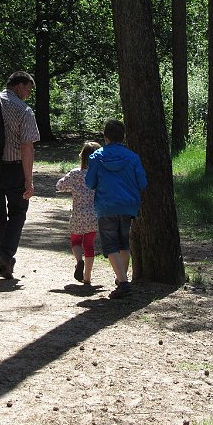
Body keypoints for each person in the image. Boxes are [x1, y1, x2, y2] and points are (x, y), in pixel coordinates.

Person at [0, 71, 40, 279]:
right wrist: (28, 180)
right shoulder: (23, 110)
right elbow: (27, 147)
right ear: (20, 86)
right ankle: (5, 255)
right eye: (28, 89)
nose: (29, 94)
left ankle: (4, 261)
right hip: (13, 168)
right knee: (18, 212)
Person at [85, 119, 147, 299]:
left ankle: (123, 282)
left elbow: (90, 182)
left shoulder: (96, 157)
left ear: (105, 137)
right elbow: (142, 183)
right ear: (123, 136)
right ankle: (122, 279)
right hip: (128, 205)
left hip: (106, 205)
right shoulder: (132, 157)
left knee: (110, 244)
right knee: (123, 242)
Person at [56, 141, 101, 285]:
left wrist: (72, 187)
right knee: (89, 245)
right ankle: (87, 277)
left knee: (75, 241)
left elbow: (59, 186)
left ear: (82, 156)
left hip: (77, 214)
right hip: (94, 215)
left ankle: (79, 260)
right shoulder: (100, 175)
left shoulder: (75, 173)